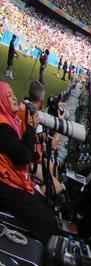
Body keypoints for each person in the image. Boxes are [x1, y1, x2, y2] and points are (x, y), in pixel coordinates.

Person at [0, 82, 57, 243]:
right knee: (46, 221)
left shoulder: (9, 121)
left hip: (12, 181)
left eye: (13, 94)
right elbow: (23, 156)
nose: (14, 98)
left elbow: (19, 147)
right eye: (8, 95)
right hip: (6, 185)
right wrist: (31, 128)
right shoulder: (2, 126)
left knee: (45, 206)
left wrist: (36, 135)